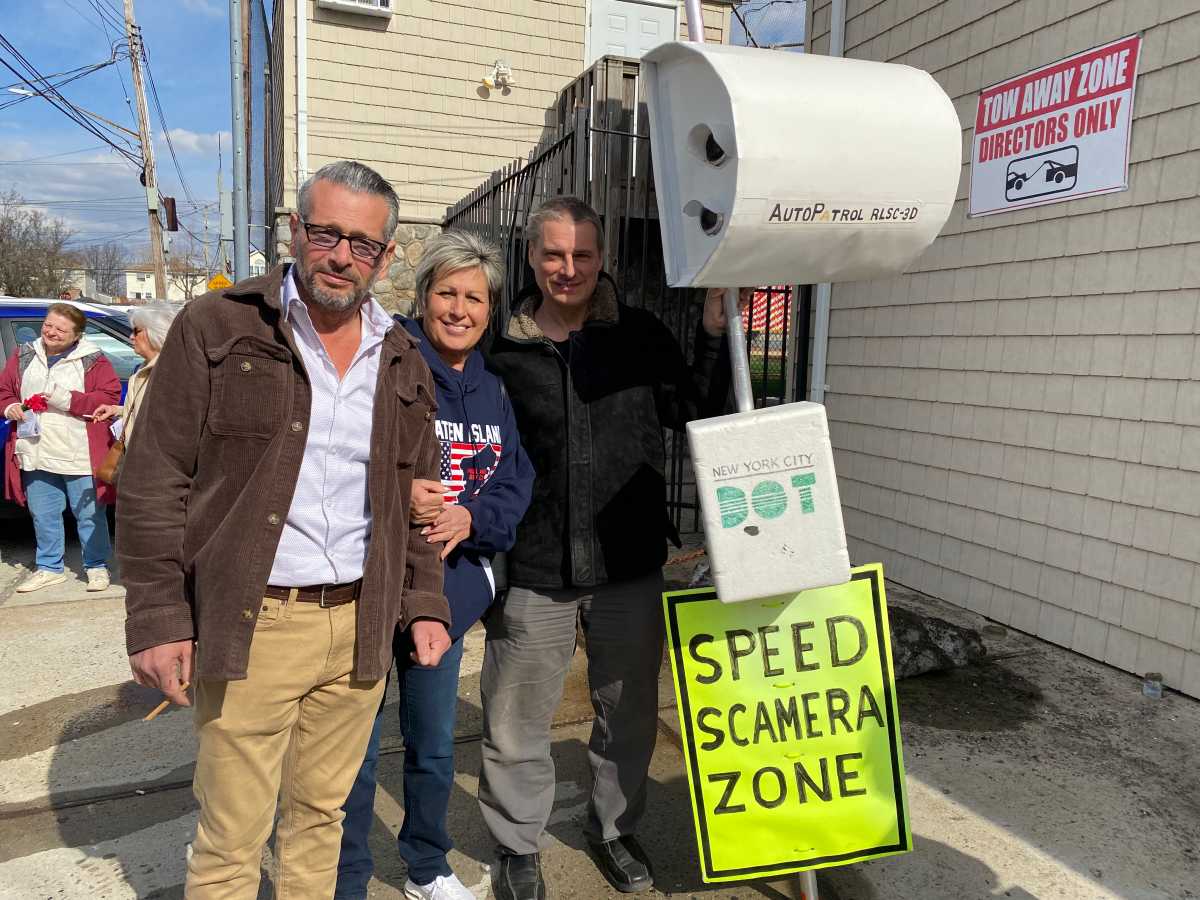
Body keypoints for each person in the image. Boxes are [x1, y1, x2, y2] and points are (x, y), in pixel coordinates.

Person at [117, 160, 451, 900]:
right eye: (327, 233)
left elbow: (417, 501)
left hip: (359, 623)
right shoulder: (220, 325)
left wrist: (424, 603)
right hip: (255, 620)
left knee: (321, 820)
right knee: (232, 838)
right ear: (296, 231)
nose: (342, 256)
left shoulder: (401, 357)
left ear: (387, 256)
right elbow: (154, 479)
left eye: (363, 244)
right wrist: (158, 617)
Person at [477, 196, 746, 899]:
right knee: (516, 718)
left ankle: (614, 829)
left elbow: (694, 412)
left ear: (604, 259)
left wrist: (715, 336)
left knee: (626, 712)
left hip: (628, 561)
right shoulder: (500, 344)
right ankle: (516, 846)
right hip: (534, 565)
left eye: (583, 255)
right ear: (531, 257)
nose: (568, 269)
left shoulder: (640, 332)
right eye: (554, 254)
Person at [335, 230, 535, 900]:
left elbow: (515, 483)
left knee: (435, 748)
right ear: (423, 298)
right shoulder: (383, 364)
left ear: (490, 308)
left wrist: (471, 517)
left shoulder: (495, 392)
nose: (459, 308)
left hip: (446, 597)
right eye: (446, 292)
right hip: (367, 584)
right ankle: (347, 877)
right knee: (353, 754)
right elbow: (334, 461)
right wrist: (396, 493)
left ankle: (425, 866)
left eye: (474, 297)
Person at [1, 303, 120, 593]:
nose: (51, 332)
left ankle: (96, 566)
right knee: (43, 513)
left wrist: (65, 399)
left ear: (77, 335)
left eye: (60, 329)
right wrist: (12, 407)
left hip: (77, 449)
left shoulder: (92, 359)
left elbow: (108, 396)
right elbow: (4, 391)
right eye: (48, 325)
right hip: (35, 448)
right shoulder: (24, 354)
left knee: (89, 513)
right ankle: (49, 567)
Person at [92, 301, 182, 452]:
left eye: (136, 331)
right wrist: (118, 410)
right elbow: (146, 409)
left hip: (156, 461)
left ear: (156, 332)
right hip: (138, 457)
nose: (131, 336)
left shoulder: (172, 371)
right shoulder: (143, 367)